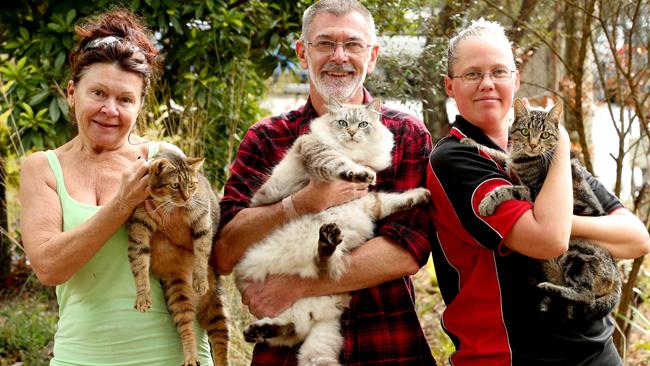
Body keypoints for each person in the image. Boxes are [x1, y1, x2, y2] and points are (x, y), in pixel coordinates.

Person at [213, 0, 436, 364]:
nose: (339, 56)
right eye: (324, 43)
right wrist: (300, 203)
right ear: (303, 53)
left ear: (373, 55)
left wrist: (298, 284)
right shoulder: (267, 138)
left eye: (352, 44)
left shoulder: (405, 134)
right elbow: (224, 254)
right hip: (286, 353)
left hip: (387, 344)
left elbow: (406, 251)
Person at [426, 18, 650, 365]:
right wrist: (560, 148)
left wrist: (563, 214)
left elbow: (636, 239)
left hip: (599, 351)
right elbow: (548, 239)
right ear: (450, 86)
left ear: (515, 81)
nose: (487, 83)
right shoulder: (455, 157)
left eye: (499, 71)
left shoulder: (548, 152)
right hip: (514, 357)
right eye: (472, 74)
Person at [18, 10, 214, 365]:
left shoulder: (165, 162)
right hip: (81, 356)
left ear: (139, 106)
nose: (110, 110)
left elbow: (205, 250)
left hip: (173, 355)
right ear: (71, 93)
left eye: (125, 99)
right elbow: (49, 267)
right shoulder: (43, 169)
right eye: (98, 93)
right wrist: (122, 204)